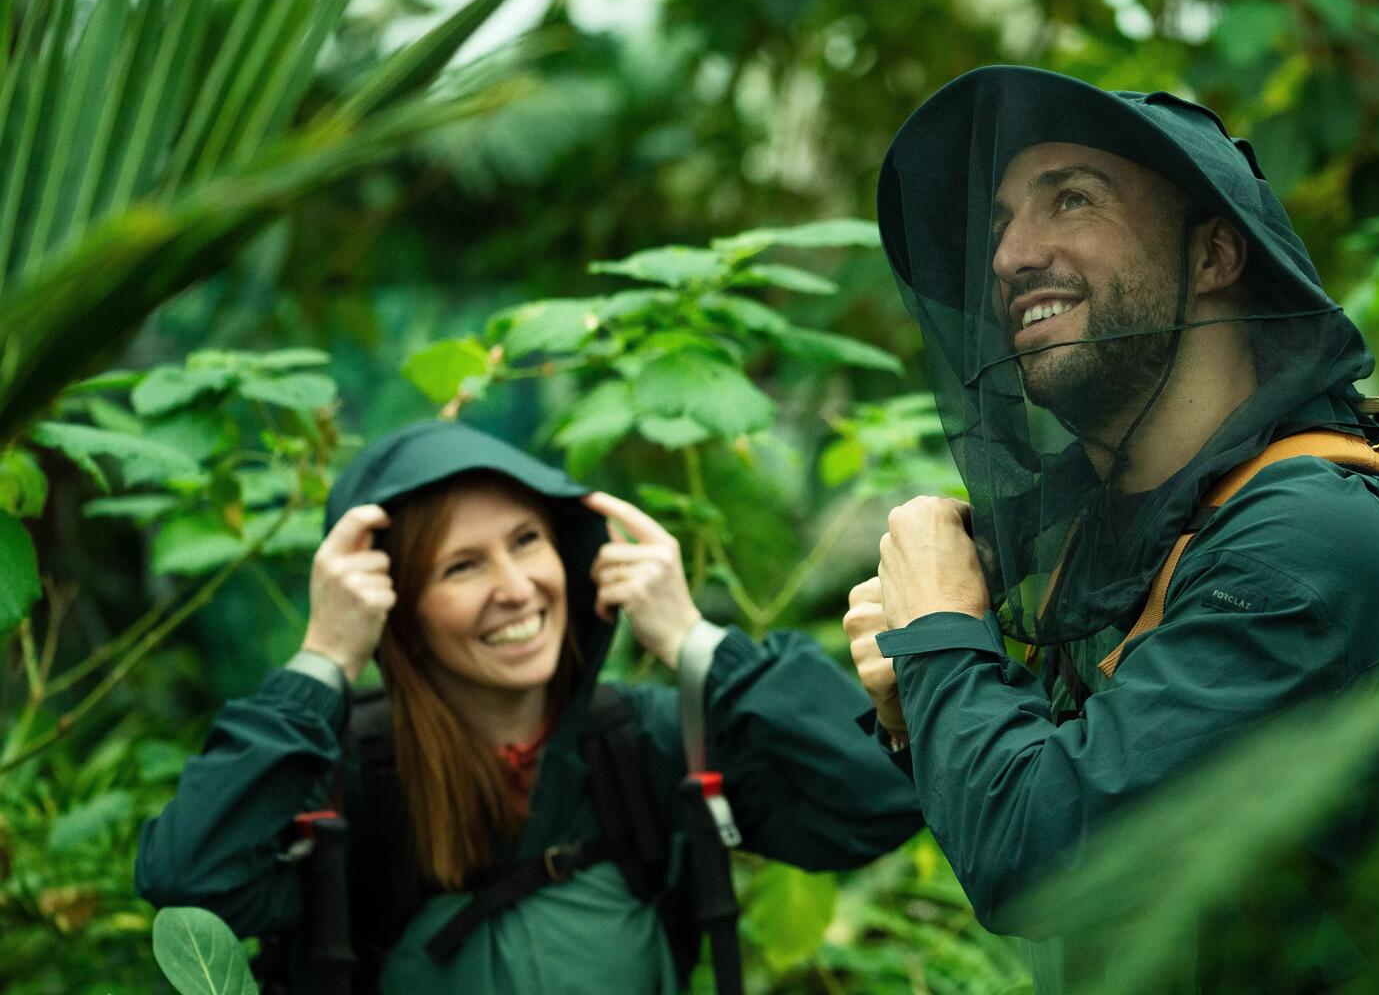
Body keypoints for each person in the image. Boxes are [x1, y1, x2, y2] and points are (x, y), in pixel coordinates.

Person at [844, 66, 1379, 991]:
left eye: (1072, 199)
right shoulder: (1120, 547)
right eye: (1003, 221)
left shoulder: (1306, 540)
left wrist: (940, 635)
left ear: (1215, 256)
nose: (1010, 256)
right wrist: (922, 702)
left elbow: (1048, 862)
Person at [139, 420, 921, 992]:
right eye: (461, 566)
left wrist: (695, 639)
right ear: (397, 608)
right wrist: (323, 659)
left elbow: (882, 801)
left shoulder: (646, 742)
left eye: (526, 541)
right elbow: (189, 887)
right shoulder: (348, 775)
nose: (514, 588)